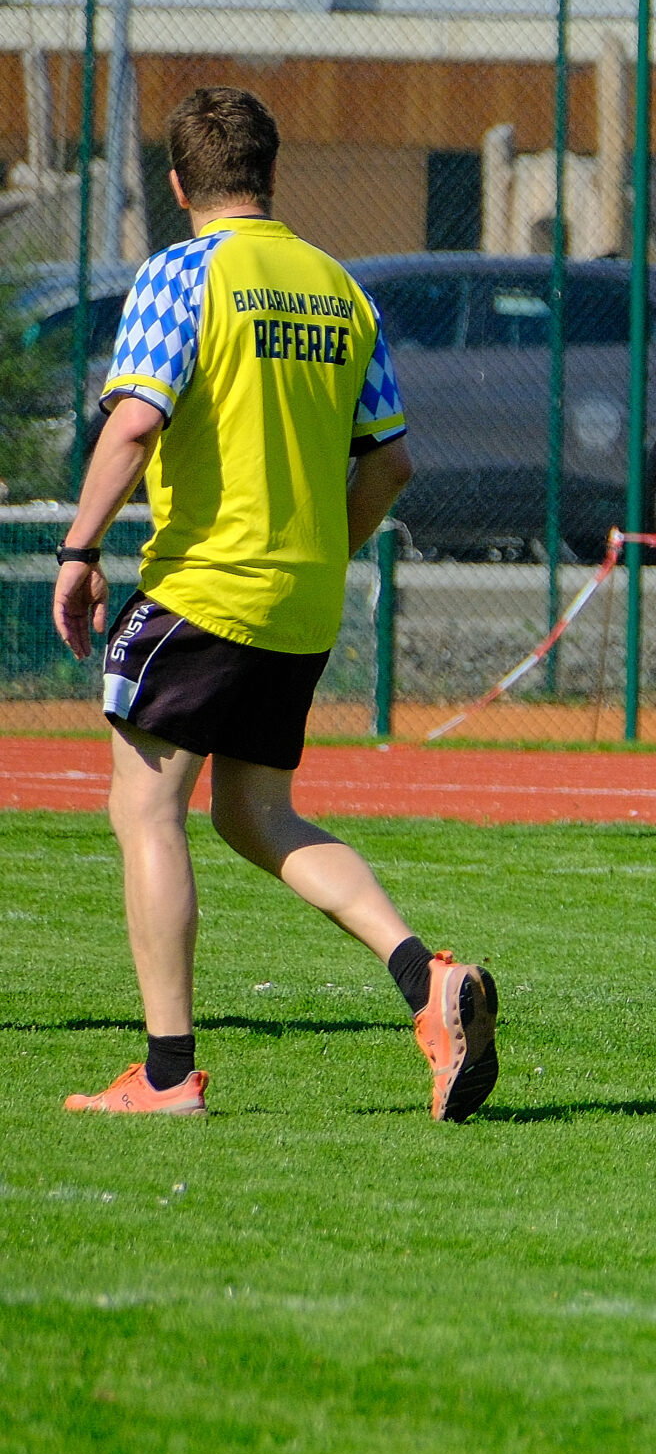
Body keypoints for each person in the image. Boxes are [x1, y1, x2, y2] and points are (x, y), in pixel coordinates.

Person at [52, 85, 497, 1121]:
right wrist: (315, 554)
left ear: (178, 185)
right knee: (255, 813)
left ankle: (166, 1077)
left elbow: (132, 425)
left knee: (144, 808)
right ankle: (424, 981)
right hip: (302, 602)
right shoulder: (339, 286)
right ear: (270, 172)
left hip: (205, 584)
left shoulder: (182, 273)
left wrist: (79, 548)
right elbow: (389, 466)